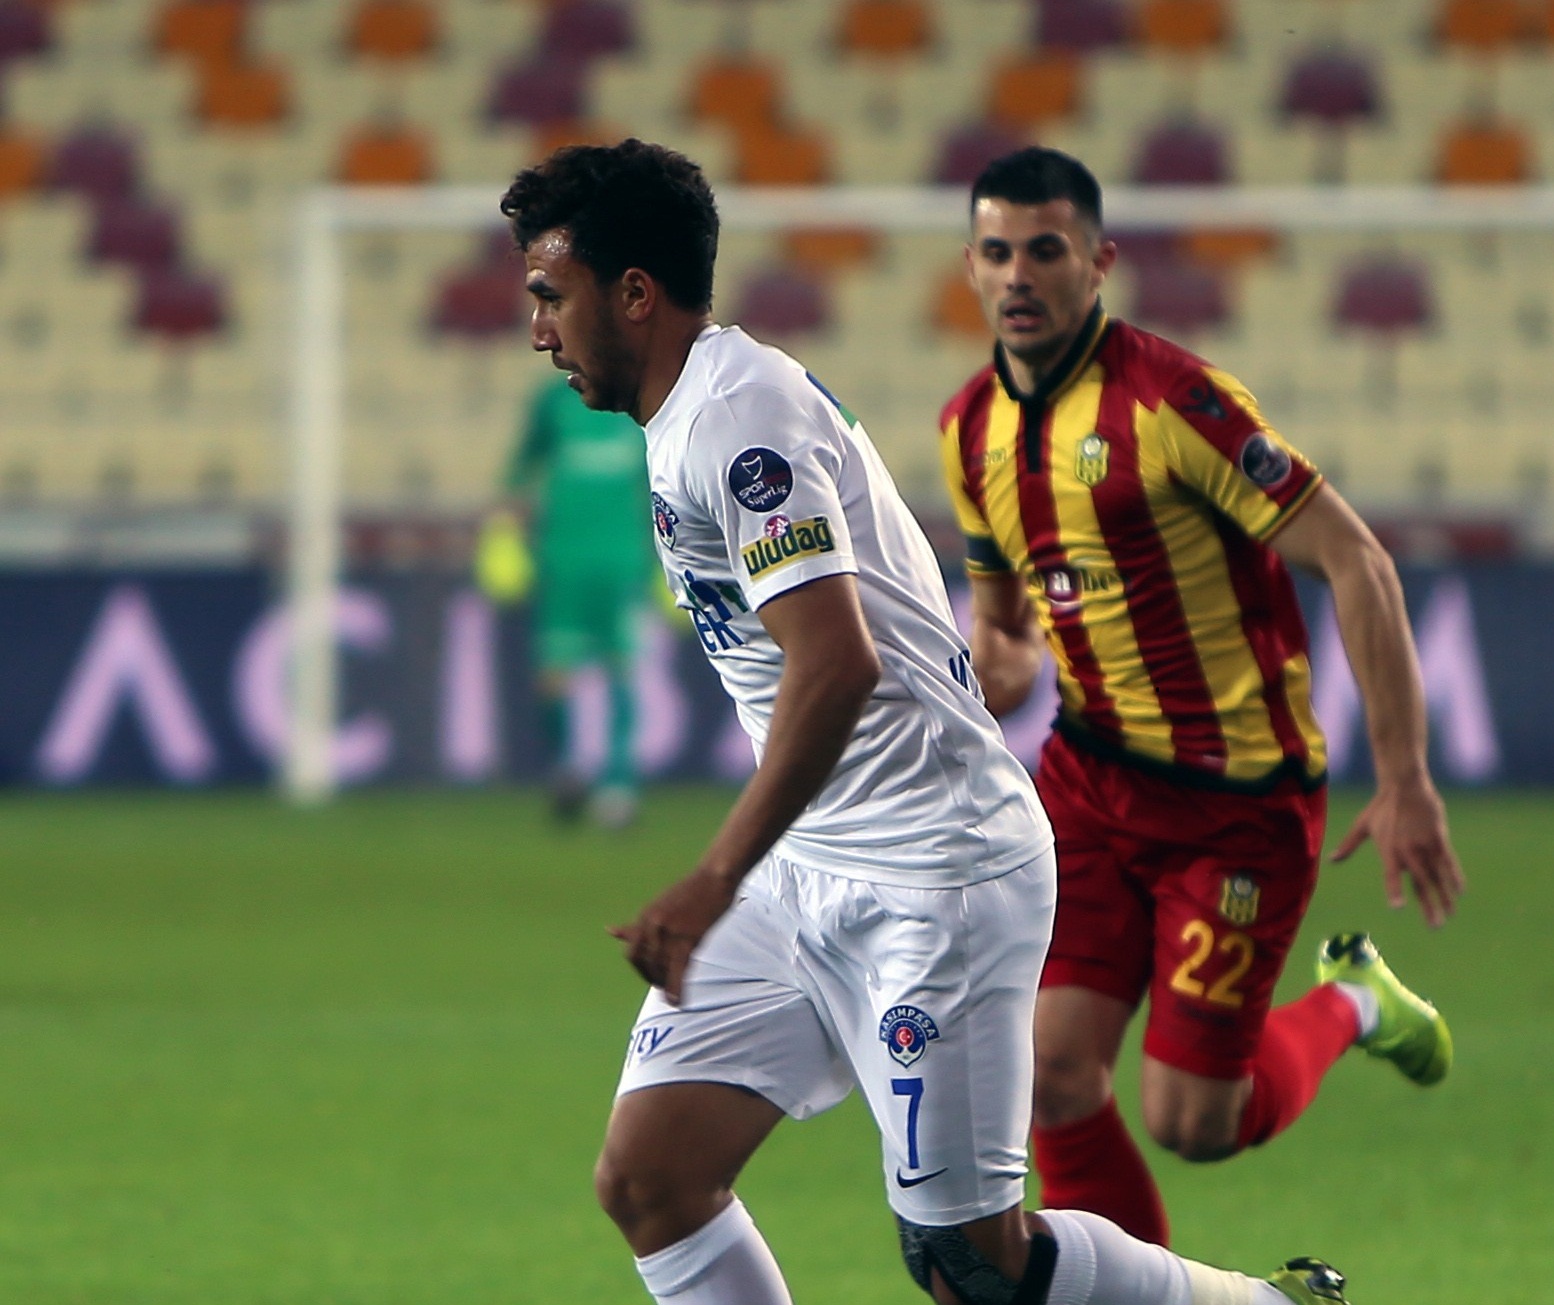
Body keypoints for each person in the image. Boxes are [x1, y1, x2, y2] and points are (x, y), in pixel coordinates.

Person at [503, 137, 1356, 1305]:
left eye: (552, 296)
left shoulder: (737, 420)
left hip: (931, 873)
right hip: (805, 867)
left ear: (635, 294)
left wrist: (710, 879)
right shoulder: (689, 411)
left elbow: (836, 665)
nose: (538, 330)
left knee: (970, 1266)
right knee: (653, 1180)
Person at [937, 146, 1466, 1247]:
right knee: (1050, 1072)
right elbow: (1006, 626)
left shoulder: (1177, 402)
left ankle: (1355, 1002)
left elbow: (1358, 560)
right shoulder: (967, 429)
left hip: (1237, 801)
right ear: (971, 267)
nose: (1019, 274)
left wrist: (1407, 775)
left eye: (1046, 251)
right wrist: (1002, 666)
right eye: (997, 253)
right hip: (1088, 782)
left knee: (1193, 1121)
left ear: (1099, 263)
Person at [484, 369, 655, 826]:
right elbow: (523, 466)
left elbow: (661, 482)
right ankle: (566, 770)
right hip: (562, 559)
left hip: (623, 559)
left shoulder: (637, 398)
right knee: (555, 675)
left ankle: (619, 784)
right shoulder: (552, 402)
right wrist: (506, 525)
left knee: (623, 668)